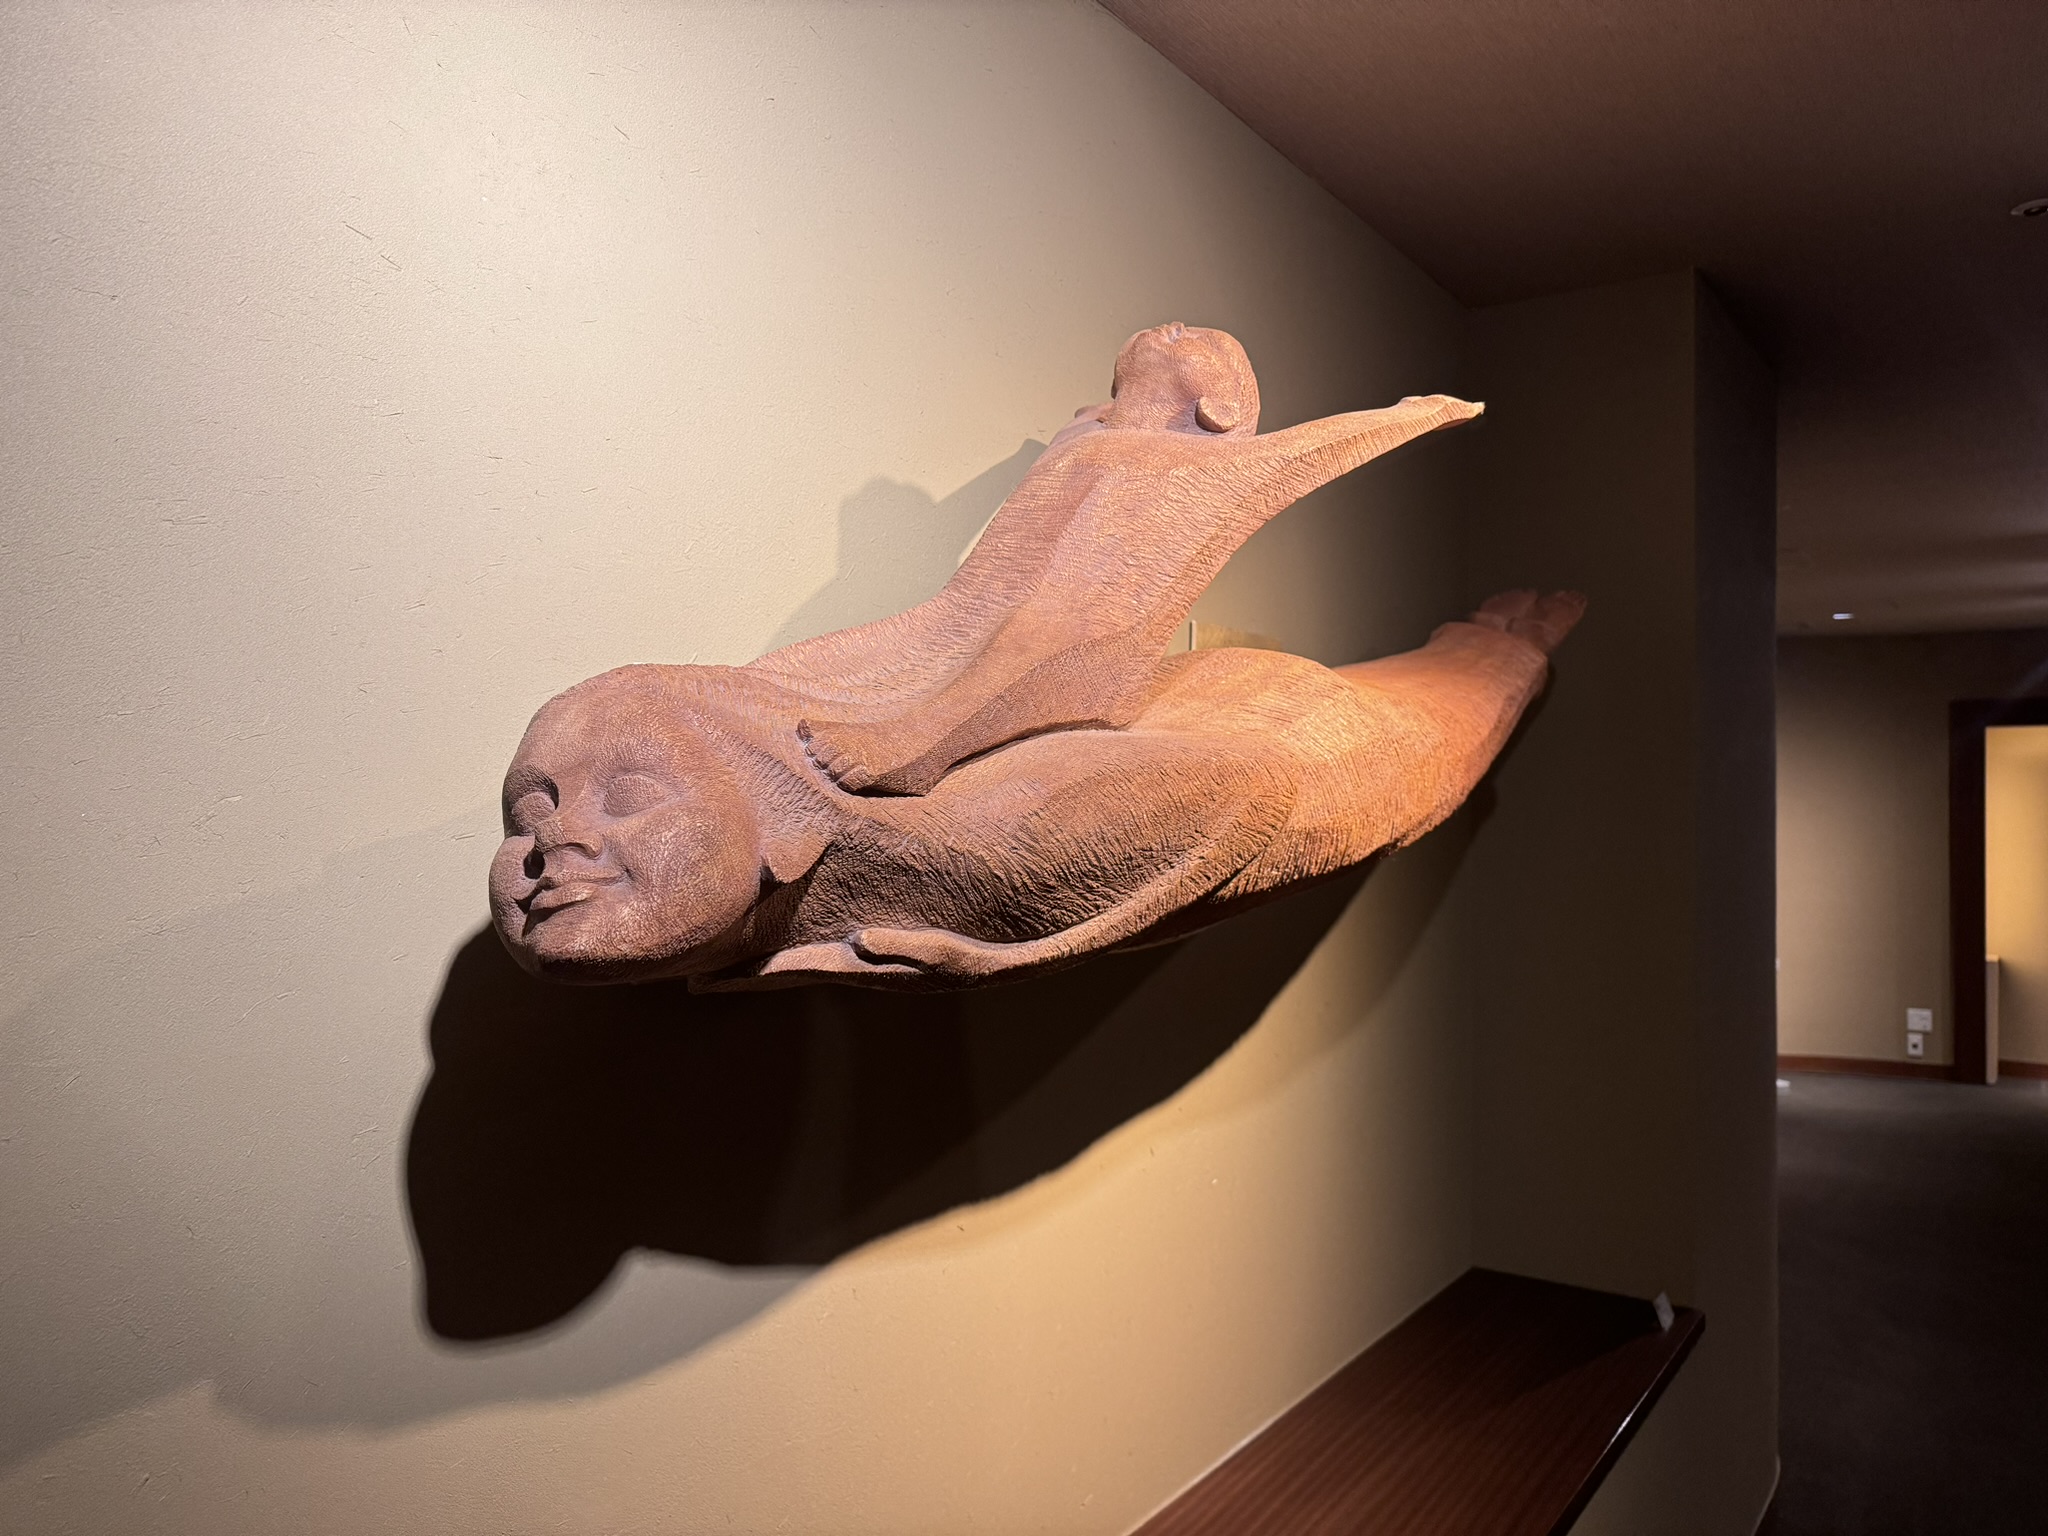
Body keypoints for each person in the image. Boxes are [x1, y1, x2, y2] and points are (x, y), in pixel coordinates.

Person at [488, 325, 1581, 989]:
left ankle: (1507, 643)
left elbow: (1251, 791)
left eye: (629, 794)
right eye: (528, 817)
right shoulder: (1095, 460)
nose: (552, 846)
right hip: (1171, 707)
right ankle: (1500, 643)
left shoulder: (1009, 824)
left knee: (1462, 686)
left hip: (1275, 726)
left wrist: (1401, 430)